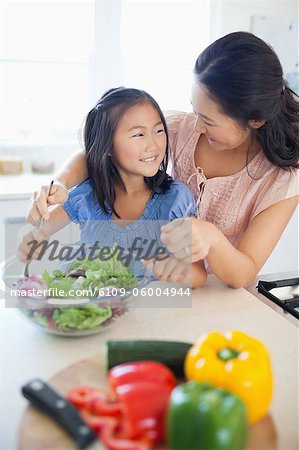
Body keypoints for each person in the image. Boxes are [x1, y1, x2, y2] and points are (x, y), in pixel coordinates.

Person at [27, 32, 299, 289]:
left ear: (256, 120)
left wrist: (212, 239)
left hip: (223, 303)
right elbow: (102, 149)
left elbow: (243, 273)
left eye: (209, 120)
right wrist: (60, 183)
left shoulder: (281, 177)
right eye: (195, 111)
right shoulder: (178, 127)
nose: (198, 127)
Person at [19, 87, 207, 288]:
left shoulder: (176, 199)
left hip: (146, 312)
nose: (153, 144)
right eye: (138, 135)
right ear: (107, 145)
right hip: (89, 304)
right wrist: (34, 238)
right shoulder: (89, 194)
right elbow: (43, 229)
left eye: (159, 130)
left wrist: (173, 269)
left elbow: (198, 275)